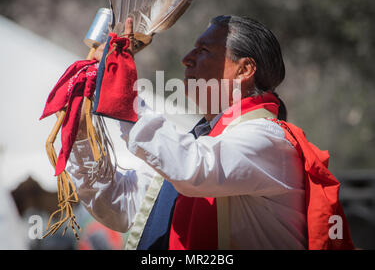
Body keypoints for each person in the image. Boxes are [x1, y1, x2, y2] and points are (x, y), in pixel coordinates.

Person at [67, 15, 353, 250]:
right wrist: (81, 133)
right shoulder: (198, 143)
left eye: (203, 51)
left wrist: (124, 98)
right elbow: (120, 205)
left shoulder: (270, 140)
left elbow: (192, 168)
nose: (186, 59)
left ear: (245, 69)